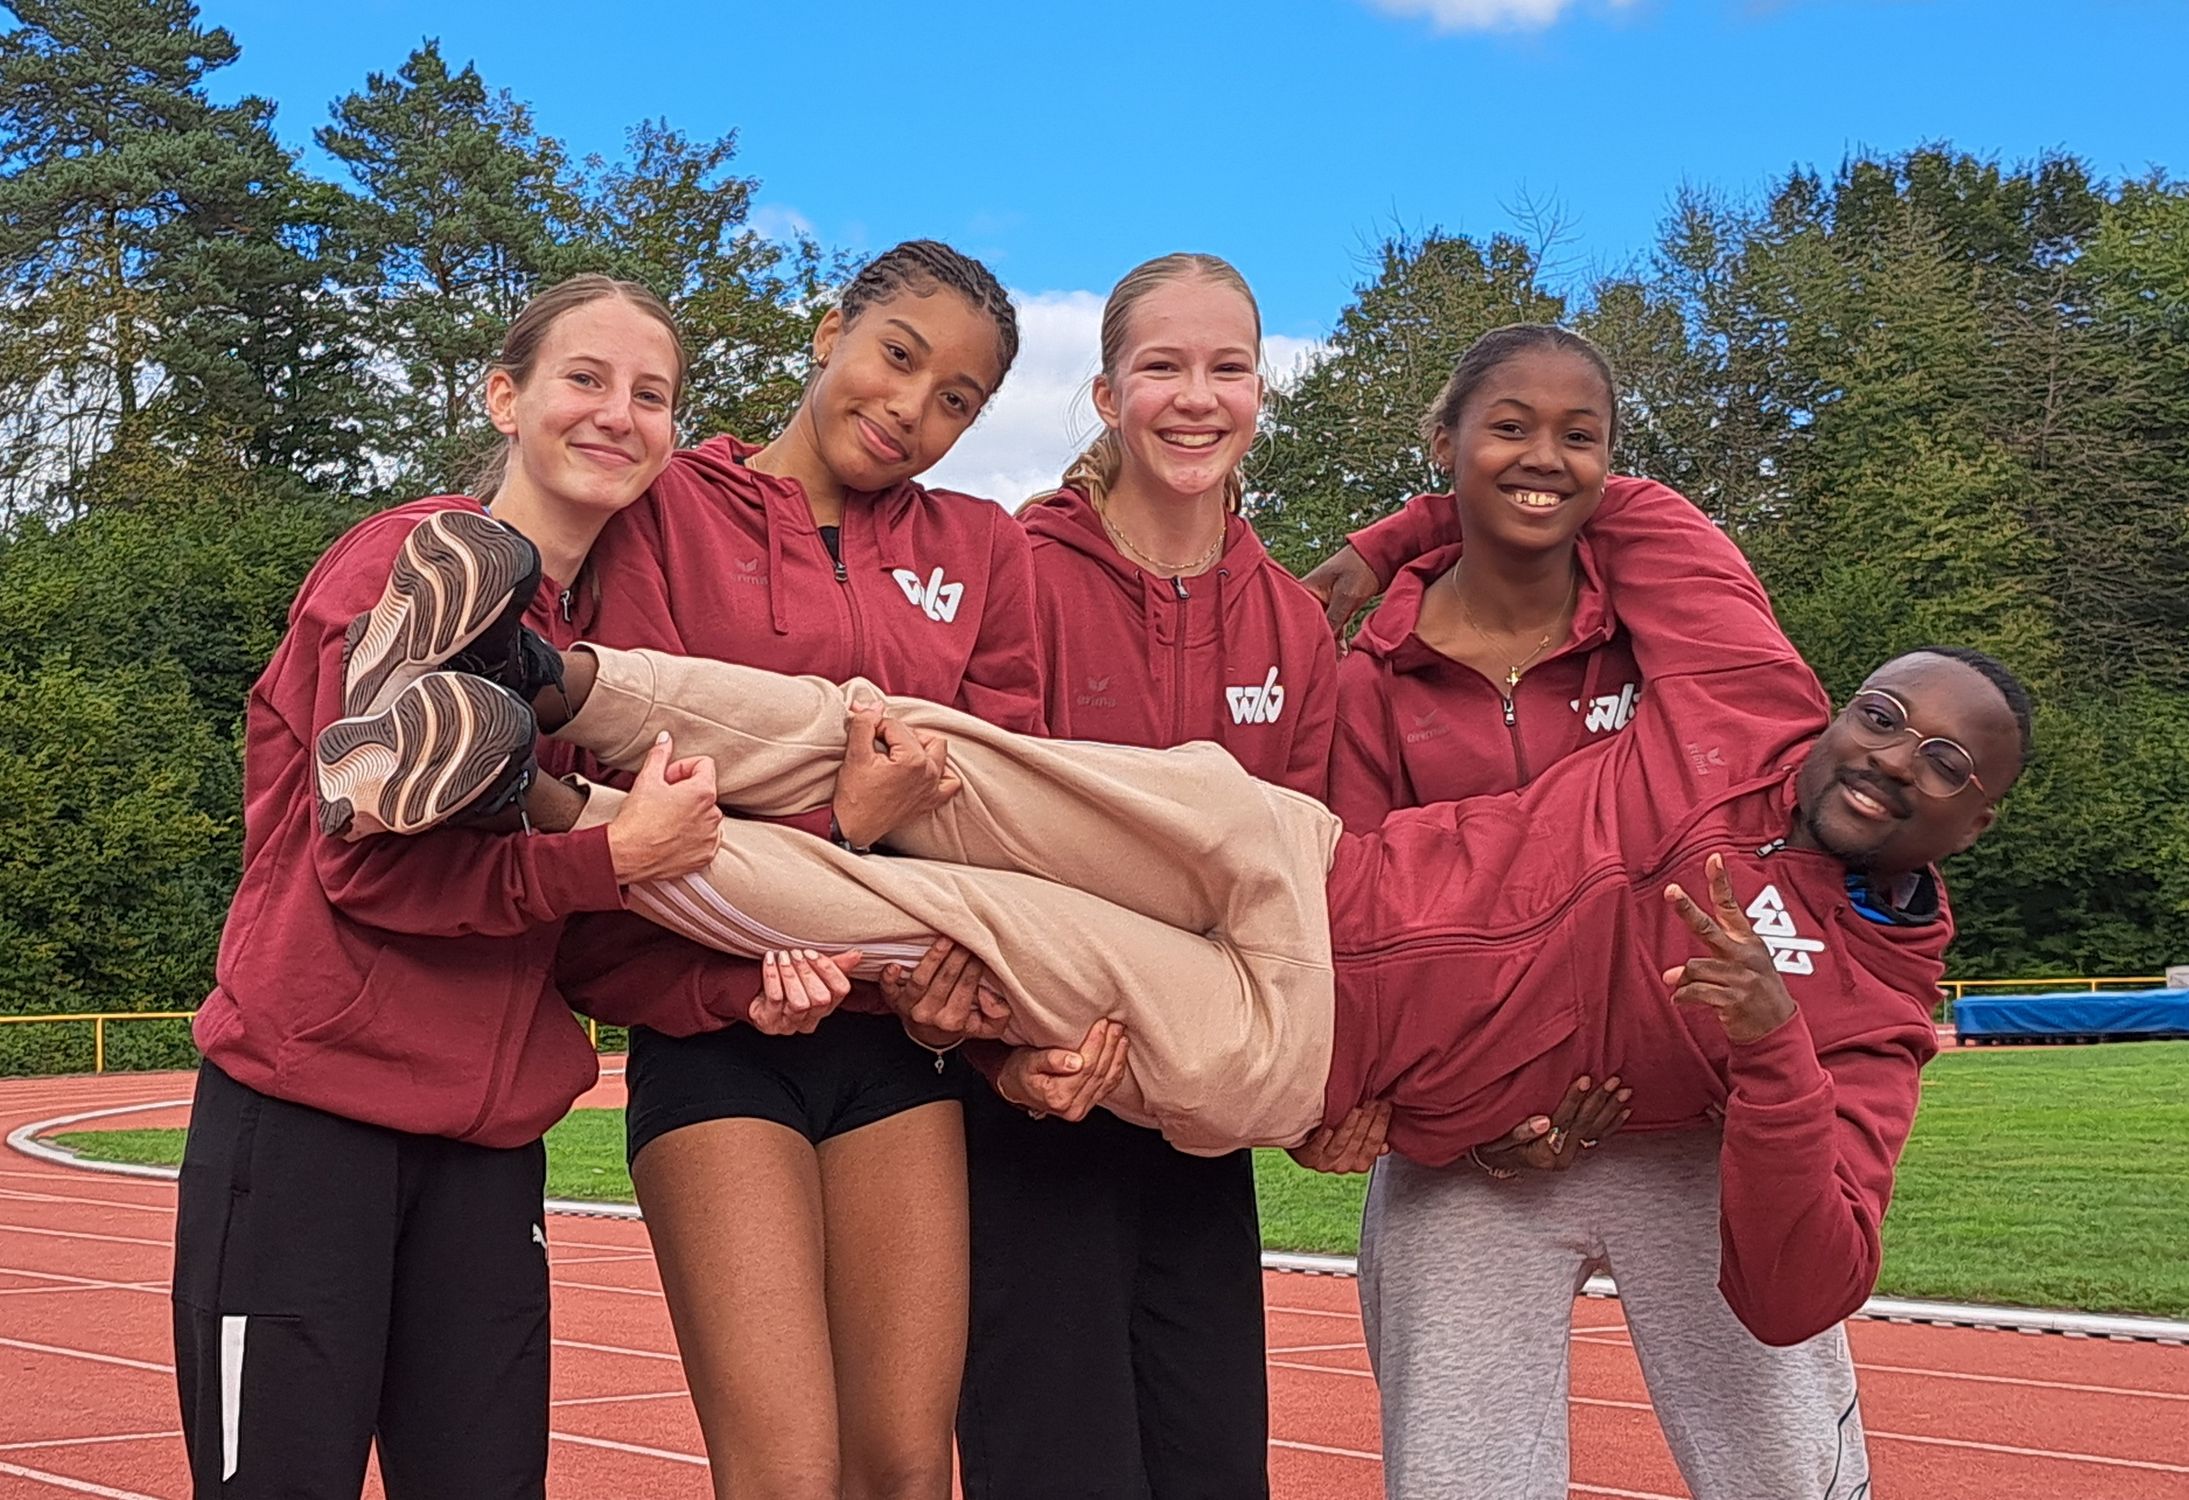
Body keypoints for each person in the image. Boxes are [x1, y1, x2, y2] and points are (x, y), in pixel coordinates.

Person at [324, 470, 2030, 1350]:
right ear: (1843, 702)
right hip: (1310, 862)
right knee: (932, 747)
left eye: (1943, 763)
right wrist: (1391, 542)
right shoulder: (1752, 702)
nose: (1892, 759)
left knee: (926, 914)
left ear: (1978, 817)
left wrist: (1766, 1054)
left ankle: (524, 793)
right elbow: (1617, 495)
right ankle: (540, 674)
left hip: (1301, 1047)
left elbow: (1801, 1287)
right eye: (1886, 716)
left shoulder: (1870, 1010)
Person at [173, 274, 727, 1499]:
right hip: (311, 1116)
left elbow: (584, 933)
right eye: (584, 378)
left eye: (651, 395)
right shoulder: (407, 558)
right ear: (504, 397)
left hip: (484, 1148)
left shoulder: (608, 660)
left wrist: (767, 980)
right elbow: (363, 864)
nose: (618, 413)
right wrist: (607, 857)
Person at [1306, 323, 1878, 1499]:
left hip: (1695, 1120)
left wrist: (1389, 534)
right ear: (1442, 443)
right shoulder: (1368, 679)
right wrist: (1456, 1125)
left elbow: (1627, 517)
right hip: (1475, 1149)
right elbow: (1353, 930)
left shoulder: (1655, 604)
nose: (1544, 457)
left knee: (1782, 1473)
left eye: (1581, 435)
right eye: (1508, 426)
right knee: (1458, 1479)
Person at [539, 241, 1052, 1500]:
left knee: (904, 1471)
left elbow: (1001, 817)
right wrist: (846, 822)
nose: (912, 407)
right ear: (829, 333)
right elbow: (638, 797)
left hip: (894, 1048)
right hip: (713, 1038)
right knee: (783, 1474)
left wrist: (950, 997)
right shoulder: (665, 508)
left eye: (956, 399)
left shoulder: (984, 549)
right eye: (896, 356)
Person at [955, 253, 1342, 1499]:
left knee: (1212, 1465)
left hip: (1197, 1126)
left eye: (1226, 367)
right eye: (1161, 366)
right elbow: (964, 842)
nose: (1195, 397)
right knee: (1056, 1468)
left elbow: (1304, 889)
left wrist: (1331, 1086)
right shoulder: (1015, 573)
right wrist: (1003, 1060)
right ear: (1106, 393)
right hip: (1033, 1107)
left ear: (1260, 391)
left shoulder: (1292, 626)